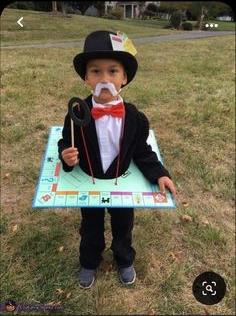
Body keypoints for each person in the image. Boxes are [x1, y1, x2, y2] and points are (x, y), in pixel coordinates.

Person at [58, 30, 176, 289]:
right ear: (86, 77)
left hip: (121, 184)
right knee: (90, 226)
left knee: (123, 225)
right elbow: (66, 141)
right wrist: (66, 155)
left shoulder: (134, 118)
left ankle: (124, 259)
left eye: (112, 71)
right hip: (90, 182)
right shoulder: (77, 113)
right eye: (96, 72)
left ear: (124, 78)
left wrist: (159, 173)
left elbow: (142, 151)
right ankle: (89, 261)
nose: (104, 79)